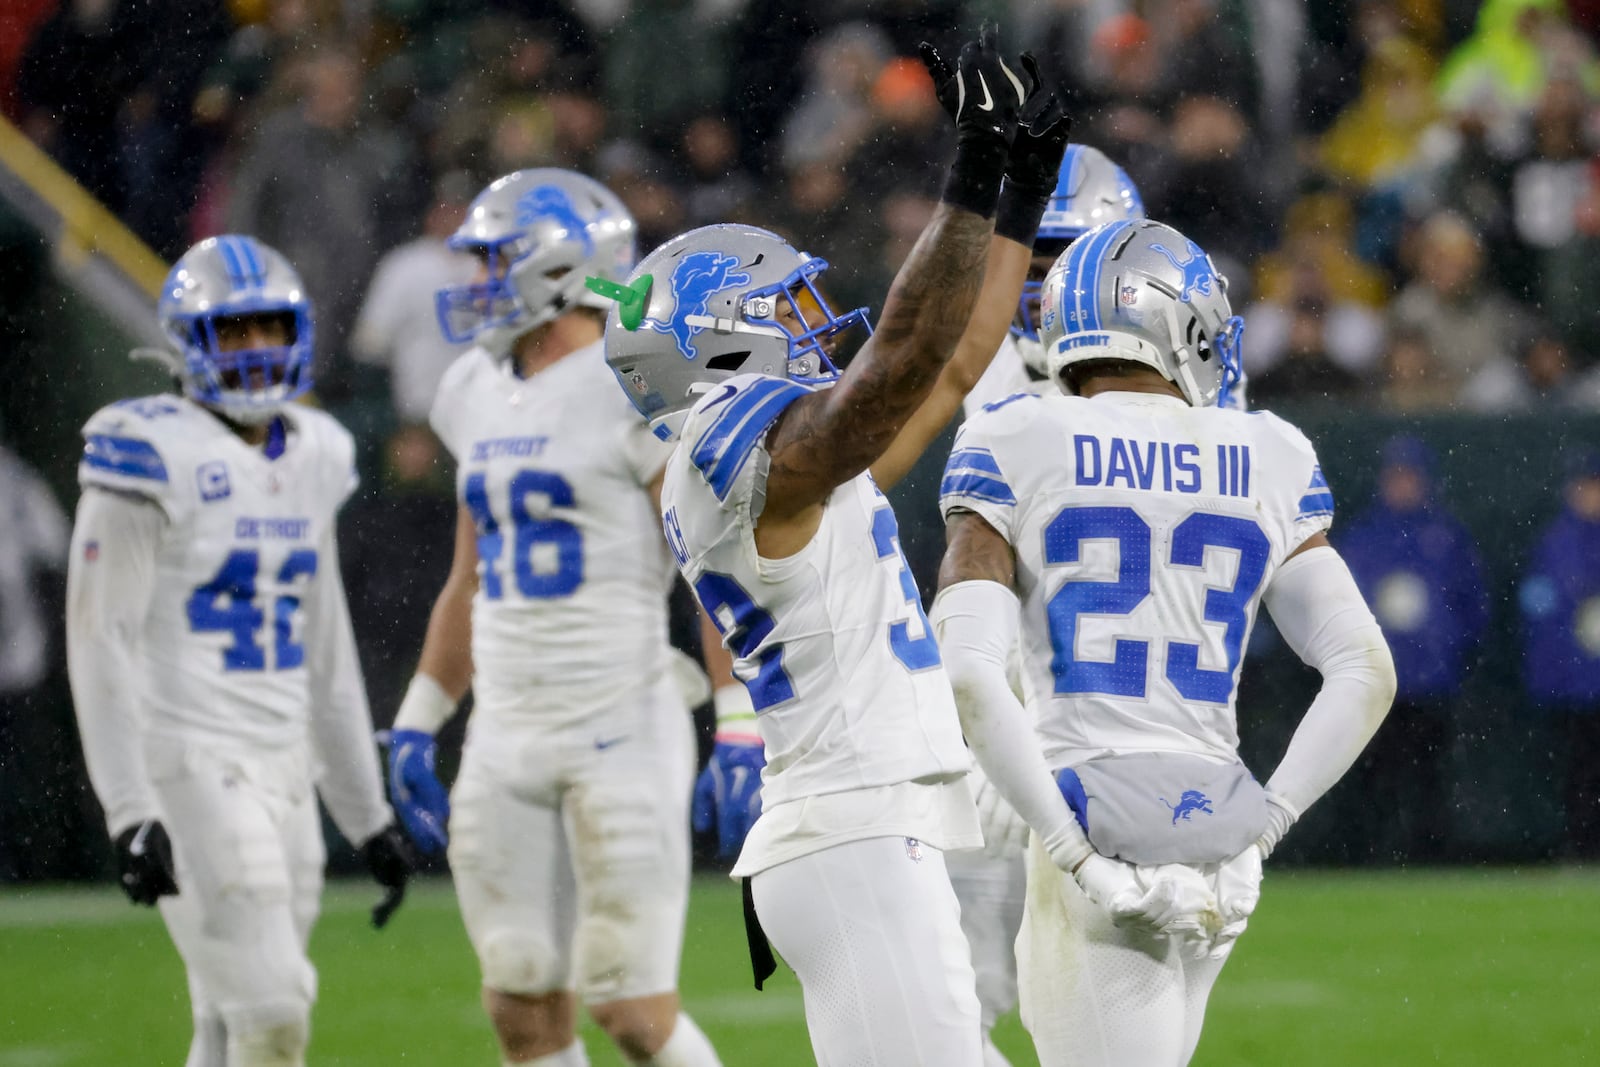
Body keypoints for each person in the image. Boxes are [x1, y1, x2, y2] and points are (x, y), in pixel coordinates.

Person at [594, 27, 1069, 1066]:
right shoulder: (728, 449)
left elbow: (945, 372)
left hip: (863, 831)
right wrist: (968, 172)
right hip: (851, 837)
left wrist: (1016, 199)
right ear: (714, 340)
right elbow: (898, 364)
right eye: (779, 309)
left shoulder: (773, 468)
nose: (809, 327)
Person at [930, 217, 1396, 1067]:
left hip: (1085, 815)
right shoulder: (1271, 449)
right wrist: (1265, 828)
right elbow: (1364, 669)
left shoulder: (1012, 435)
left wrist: (1070, 847)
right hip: (1215, 824)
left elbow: (965, 671)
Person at [385, 168, 725, 1067]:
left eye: (495, 259)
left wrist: (739, 720)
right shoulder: (473, 388)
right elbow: (469, 577)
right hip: (505, 728)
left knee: (633, 1009)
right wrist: (422, 716)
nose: (474, 281)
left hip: (619, 720)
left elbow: (708, 570)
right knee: (520, 997)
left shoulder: (635, 381)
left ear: (559, 265)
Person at [65, 235, 414, 1067]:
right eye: (235, 331)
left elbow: (323, 644)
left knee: (229, 1022)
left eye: (270, 328)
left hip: (284, 763)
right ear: (190, 339)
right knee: (272, 1011)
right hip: (186, 756)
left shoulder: (316, 450)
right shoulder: (149, 449)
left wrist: (363, 812)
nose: (258, 350)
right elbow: (101, 638)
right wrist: (127, 807)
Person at [943, 142, 1146, 1067]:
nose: (1042, 281)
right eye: (1032, 252)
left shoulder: (1171, 385)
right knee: (952, 1002)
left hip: (1119, 720)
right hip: (1000, 709)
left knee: (1103, 1023)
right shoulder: (978, 361)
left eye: (1070, 255)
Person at [1338, 436, 1487, 862]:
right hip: (1375, 684)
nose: (1402, 486)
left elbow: (1472, 604)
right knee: (1372, 776)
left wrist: (1451, 653)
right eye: (1396, 477)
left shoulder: (1446, 535)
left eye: (1410, 477)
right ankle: (1367, 857)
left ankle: (1430, 857)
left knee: (1429, 778)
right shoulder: (1364, 537)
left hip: (1430, 682)